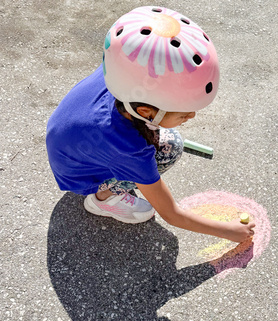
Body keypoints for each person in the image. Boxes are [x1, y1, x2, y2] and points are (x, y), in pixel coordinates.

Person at [46, 6, 254, 243]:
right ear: (145, 111)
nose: (192, 117)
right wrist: (228, 231)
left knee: (162, 138)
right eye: (184, 114)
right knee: (170, 147)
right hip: (79, 176)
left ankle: (110, 179)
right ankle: (102, 199)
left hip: (71, 149)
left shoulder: (124, 76)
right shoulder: (130, 150)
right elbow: (172, 214)